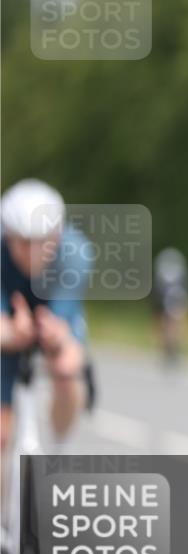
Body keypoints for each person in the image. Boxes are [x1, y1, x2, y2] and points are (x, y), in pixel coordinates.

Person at [0, 179, 91, 454]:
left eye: (43, 243)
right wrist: (11, 334)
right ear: (8, 237)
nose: (33, 253)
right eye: (24, 243)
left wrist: (56, 337)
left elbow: (65, 329)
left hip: (51, 313)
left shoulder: (77, 254)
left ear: (58, 236)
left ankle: (61, 444)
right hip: (9, 318)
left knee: (66, 365)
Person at [151, 246, 188, 366]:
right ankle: (170, 348)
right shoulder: (179, 278)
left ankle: (175, 346)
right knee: (169, 322)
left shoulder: (177, 279)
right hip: (170, 298)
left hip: (175, 298)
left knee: (173, 322)